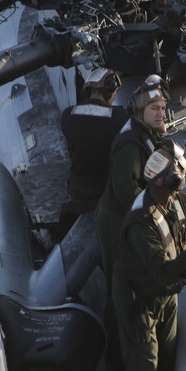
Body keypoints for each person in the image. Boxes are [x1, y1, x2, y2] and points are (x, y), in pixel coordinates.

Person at [113, 140, 186, 371]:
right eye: (181, 174)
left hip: (166, 296)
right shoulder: (141, 224)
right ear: (169, 179)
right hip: (139, 304)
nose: (184, 178)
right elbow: (162, 271)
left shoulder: (168, 196)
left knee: (167, 367)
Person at [56, 66, 126, 241]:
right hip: (102, 192)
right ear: (109, 90)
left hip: (76, 189)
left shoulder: (68, 115)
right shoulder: (119, 118)